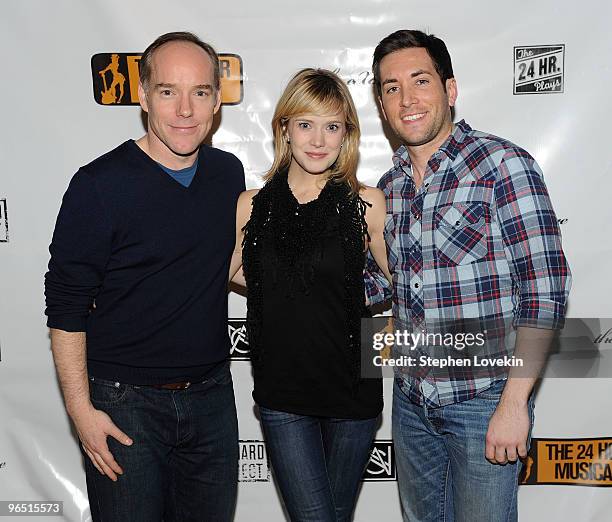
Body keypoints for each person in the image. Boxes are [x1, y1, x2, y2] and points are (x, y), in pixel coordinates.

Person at [366, 30, 571, 521]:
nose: (407, 99)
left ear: (450, 89)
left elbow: (545, 291)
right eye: (392, 87)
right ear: (381, 103)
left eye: (420, 81)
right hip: (412, 403)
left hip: (485, 402)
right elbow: (379, 285)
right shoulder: (387, 188)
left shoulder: (502, 165)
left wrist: (514, 403)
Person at [44, 32, 244, 522]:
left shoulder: (227, 174)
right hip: (124, 404)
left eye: (199, 92)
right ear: (143, 95)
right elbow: (66, 307)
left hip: (213, 398)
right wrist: (81, 413)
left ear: (217, 101)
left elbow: (230, 267)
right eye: (168, 91)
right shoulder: (98, 186)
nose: (184, 110)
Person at [230, 68, 391, 522]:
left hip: (354, 393)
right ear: (284, 128)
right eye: (305, 124)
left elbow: (409, 285)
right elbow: (223, 277)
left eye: (332, 126)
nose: (318, 139)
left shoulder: (368, 203)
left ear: (347, 135)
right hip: (283, 392)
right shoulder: (250, 205)